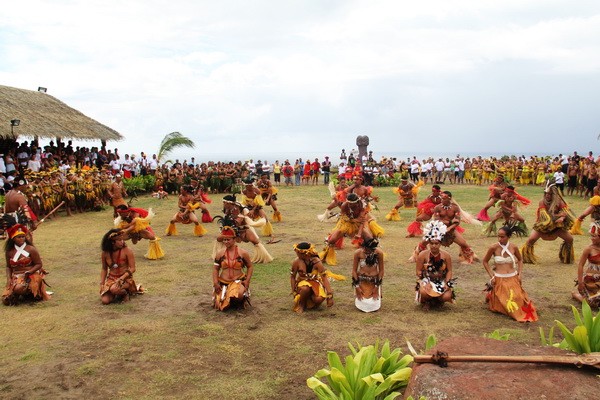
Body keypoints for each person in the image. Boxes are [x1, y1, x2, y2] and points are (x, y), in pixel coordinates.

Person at [482, 225, 538, 322]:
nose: (500, 239)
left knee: (519, 299)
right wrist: (492, 277)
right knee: (508, 302)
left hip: (513, 278)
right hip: (500, 279)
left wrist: (519, 275)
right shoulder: (493, 247)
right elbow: (485, 261)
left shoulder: (514, 247)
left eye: (502, 237)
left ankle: (493, 297)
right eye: (498, 236)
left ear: (508, 237)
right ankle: (493, 296)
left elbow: (520, 260)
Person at [410, 191, 479, 264]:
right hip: (438, 229)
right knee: (424, 242)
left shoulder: (455, 208)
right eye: (441, 198)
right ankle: (418, 256)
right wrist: (448, 222)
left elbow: (457, 221)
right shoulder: (437, 207)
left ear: (449, 198)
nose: (441, 199)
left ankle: (469, 258)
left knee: (464, 244)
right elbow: (437, 220)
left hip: (451, 229)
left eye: (443, 198)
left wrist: (449, 228)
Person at [319, 193, 384, 266]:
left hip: (358, 224)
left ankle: (372, 257)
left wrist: (359, 234)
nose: (349, 205)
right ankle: (325, 256)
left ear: (356, 202)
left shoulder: (361, 206)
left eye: (351, 204)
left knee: (369, 238)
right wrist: (354, 220)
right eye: (348, 203)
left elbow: (362, 221)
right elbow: (344, 217)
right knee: (331, 240)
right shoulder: (344, 205)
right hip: (345, 223)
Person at [521, 179, 576, 264]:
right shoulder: (542, 202)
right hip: (542, 227)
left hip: (557, 228)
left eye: (550, 194)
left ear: (554, 195)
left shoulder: (559, 202)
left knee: (570, 239)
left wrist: (563, 217)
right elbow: (546, 219)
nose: (547, 196)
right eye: (546, 194)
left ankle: (566, 256)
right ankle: (526, 257)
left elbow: (566, 214)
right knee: (531, 240)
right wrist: (559, 216)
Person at [2, 224, 50, 305]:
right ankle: (20, 294)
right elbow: (8, 267)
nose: (22, 238)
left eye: (23, 236)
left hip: (31, 275)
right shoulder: (9, 252)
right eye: (19, 237)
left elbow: (38, 264)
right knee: (5, 300)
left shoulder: (31, 249)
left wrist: (29, 272)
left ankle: (30, 293)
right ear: (13, 239)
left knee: (19, 288)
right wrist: (9, 279)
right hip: (16, 277)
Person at [291, 242, 342, 313]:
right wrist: (293, 291)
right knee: (305, 288)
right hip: (302, 284)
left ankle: (309, 299)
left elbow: (324, 278)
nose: (296, 254)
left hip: (315, 282)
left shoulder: (317, 262)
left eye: (297, 252)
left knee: (318, 299)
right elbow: (292, 277)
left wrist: (330, 295)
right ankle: (302, 304)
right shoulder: (296, 261)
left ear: (304, 253)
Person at [415, 220, 456, 309]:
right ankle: (427, 301)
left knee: (447, 296)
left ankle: (438, 300)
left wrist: (447, 283)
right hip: (427, 279)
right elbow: (418, 271)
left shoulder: (446, 255)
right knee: (424, 292)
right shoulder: (423, 255)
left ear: (440, 244)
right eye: (432, 243)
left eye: (436, 243)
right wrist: (425, 282)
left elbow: (449, 271)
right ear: (428, 243)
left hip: (441, 280)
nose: (434, 246)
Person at [212, 226, 254, 311]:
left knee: (237, 295)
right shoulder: (220, 254)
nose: (226, 242)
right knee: (220, 306)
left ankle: (237, 298)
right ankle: (227, 297)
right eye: (224, 240)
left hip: (237, 281)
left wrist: (247, 281)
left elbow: (250, 266)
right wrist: (216, 283)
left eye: (228, 239)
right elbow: (215, 269)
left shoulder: (243, 253)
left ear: (234, 239)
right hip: (223, 283)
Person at [100, 229, 144, 304]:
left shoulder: (127, 251)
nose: (122, 242)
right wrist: (102, 283)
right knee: (105, 301)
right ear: (113, 242)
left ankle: (125, 293)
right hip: (111, 279)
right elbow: (104, 269)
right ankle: (118, 292)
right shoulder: (105, 253)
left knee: (114, 289)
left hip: (125, 279)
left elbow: (133, 268)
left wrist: (121, 278)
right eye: (119, 240)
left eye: (122, 239)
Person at [572, 221, 600, 308]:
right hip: (591, 280)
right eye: (591, 236)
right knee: (594, 303)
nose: (591, 238)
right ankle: (576, 295)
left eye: (594, 236)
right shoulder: (588, 249)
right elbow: (580, 265)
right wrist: (580, 283)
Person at [352, 238, 384, 312]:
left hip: (374, 282)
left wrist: (376, 287)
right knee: (362, 303)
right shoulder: (358, 253)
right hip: (361, 282)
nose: (366, 252)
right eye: (365, 249)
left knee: (373, 304)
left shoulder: (379, 253)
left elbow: (381, 271)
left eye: (369, 250)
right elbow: (354, 271)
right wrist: (357, 287)